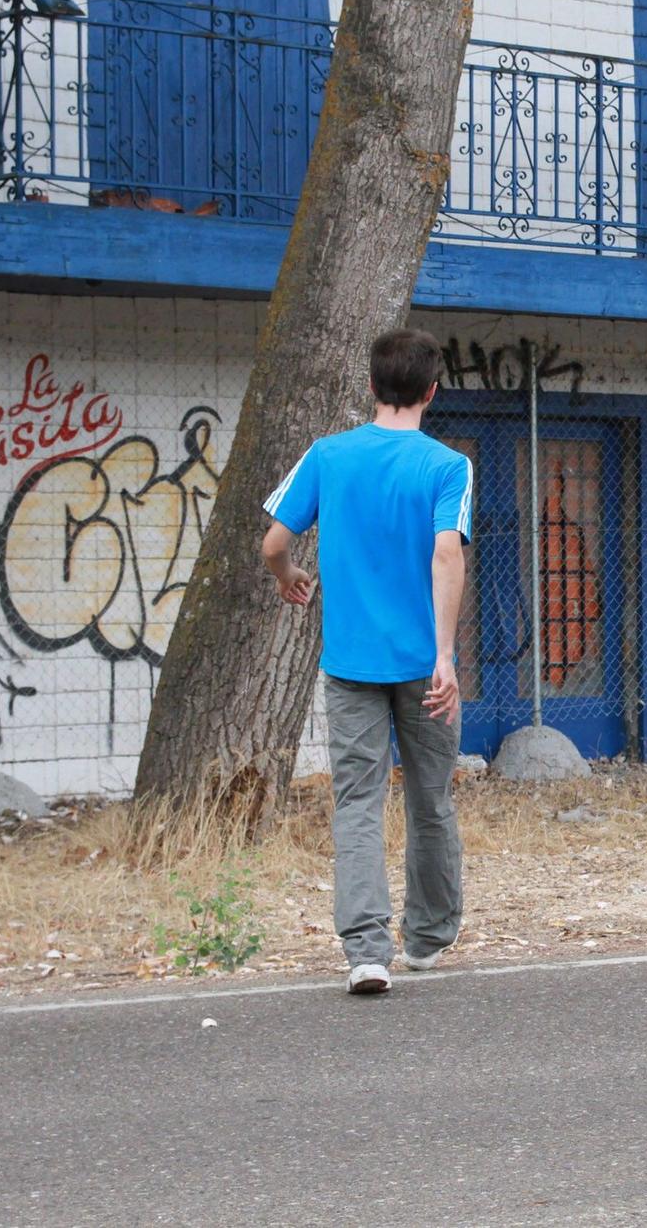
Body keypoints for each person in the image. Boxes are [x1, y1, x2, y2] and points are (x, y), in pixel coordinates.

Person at [260, 328, 473, 995]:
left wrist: (286, 574)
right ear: (431, 391)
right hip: (423, 666)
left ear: (373, 386)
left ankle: (366, 953)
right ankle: (429, 940)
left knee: (356, 802)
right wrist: (445, 655)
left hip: (350, 662)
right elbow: (447, 554)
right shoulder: (448, 466)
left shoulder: (327, 455)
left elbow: (272, 540)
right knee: (431, 798)